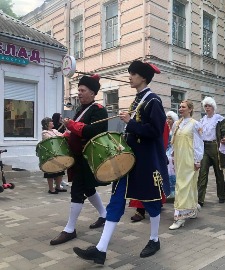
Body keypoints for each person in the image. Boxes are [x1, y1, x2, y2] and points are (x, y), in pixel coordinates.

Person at [73, 60, 169, 264]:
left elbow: (156, 131)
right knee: (116, 200)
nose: (130, 77)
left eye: (133, 74)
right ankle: (100, 249)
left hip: (146, 161)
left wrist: (131, 123)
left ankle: (154, 239)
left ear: (142, 77)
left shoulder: (153, 101)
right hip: (128, 159)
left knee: (150, 201)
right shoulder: (139, 99)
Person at [49, 74, 109, 245]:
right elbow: (75, 132)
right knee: (88, 189)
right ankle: (104, 215)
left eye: (82, 90)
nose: (79, 93)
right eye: (79, 90)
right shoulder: (80, 110)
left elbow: (94, 132)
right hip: (78, 157)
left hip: (88, 157)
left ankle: (70, 229)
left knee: (77, 190)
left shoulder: (99, 110)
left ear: (92, 92)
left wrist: (72, 126)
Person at [169, 100, 204, 229]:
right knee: (186, 184)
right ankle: (193, 208)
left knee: (183, 186)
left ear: (190, 109)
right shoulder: (177, 124)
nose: (180, 109)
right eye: (179, 107)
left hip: (189, 159)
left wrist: (197, 160)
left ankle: (180, 217)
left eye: (183, 107)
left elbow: (199, 144)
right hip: (179, 159)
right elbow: (174, 141)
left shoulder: (195, 125)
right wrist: (173, 154)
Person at [197, 97, 225, 206]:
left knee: (218, 172)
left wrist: (224, 137)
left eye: (209, 106)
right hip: (205, 147)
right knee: (202, 173)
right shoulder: (202, 120)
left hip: (215, 146)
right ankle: (199, 199)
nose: (207, 108)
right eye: (205, 106)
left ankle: (222, 196)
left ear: (213, 107)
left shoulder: (219, 119)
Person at [41, 117, 67, 194]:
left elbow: (62, 136)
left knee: (60, 170)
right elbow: (51, 139)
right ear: (47, 124)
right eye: (50, 122)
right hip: (50, 154)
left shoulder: (55, 130)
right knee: (50, 171)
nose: (52, 123)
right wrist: (61, 136)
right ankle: (51, 189)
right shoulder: (44, 133)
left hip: (58, 152)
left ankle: (58, 187)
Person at [166, 111, 179, 199]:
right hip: (166, 149)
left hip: (173, 150)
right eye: (167, 118)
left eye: (170, 118)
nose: (168, 120)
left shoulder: (175, 130)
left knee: (171, 162)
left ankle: (173, 191)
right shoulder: (165, 129)